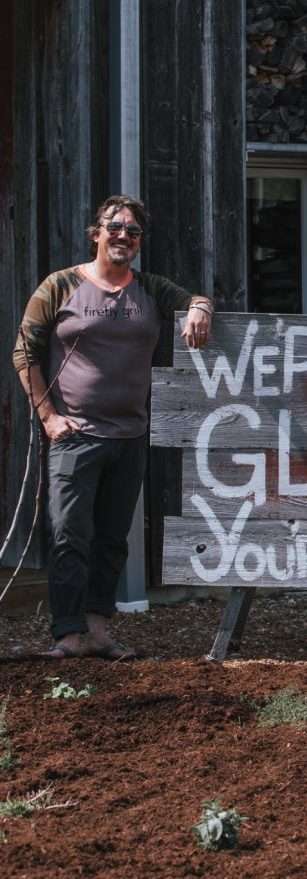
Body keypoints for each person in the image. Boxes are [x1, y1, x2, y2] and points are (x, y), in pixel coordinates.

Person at [13, 195, 213, 661]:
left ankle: (99, 631)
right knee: (69, 534)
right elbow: (25, 351)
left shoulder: (150, 288)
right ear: (97, 233)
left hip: (129, 437)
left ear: (139, 242)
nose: (123, 235)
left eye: (133, 231)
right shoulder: (60, 286)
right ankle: (67, 635)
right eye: (115, 227)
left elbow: (194, 300)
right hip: (75, 435)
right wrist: (47, 415)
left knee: (111, 538)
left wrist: (200, 308)